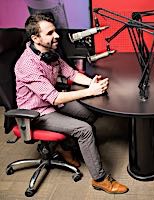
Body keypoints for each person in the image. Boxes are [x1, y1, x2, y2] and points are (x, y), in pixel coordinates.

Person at [15, 12, 128, 194]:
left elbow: (71, 73)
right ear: (35, 38)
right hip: (37, 112)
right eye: (50, 33)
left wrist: (91, 82)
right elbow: (54, 97)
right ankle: (99, 179)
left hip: (52, 102)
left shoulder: (48, 52)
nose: (57, 36)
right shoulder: (27, 65)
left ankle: (65, 147)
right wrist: (90, 91)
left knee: (91, 113)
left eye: (55, 31)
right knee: (84, 130)